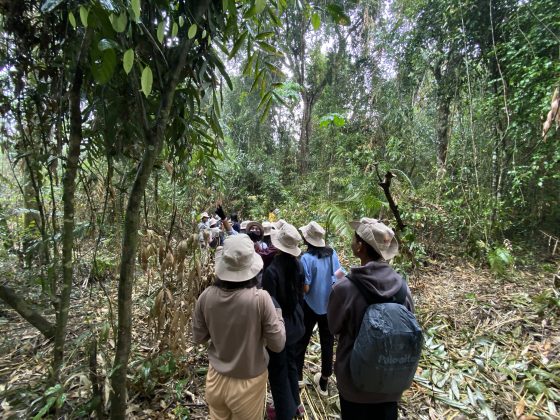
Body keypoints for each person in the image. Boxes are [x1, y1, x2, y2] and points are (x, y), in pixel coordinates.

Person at [327, 218, 414, 420]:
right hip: (391, 381)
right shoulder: (403, 288)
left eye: (354, 238)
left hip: (354, 383)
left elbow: (333, 327)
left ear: (360, 246)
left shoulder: (344, 289)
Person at [192, 235, 286, 420]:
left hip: (216, 378)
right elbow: (278, 344)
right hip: (248, 383)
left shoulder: (206, 296)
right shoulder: (261, 299)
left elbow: (199, 337)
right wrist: (278, 315)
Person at [262, 223, 306, 420]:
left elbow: (270, 305)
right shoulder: (298, 265)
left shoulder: (271, 271)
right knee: (291, 364)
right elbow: (301, 296)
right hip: (296, 324)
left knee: (278, 372)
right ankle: (296, 403)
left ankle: (284, 412)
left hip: (280, 326)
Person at [295, 221, 342, 397]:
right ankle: (324, 382)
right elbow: (339, 276)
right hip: (329, 306)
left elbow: (306, 288)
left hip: (310, 305)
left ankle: (298, 377)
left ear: (307, 240)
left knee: (302, 340)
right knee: (327, 343)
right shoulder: (332, 253)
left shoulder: (306, 258)